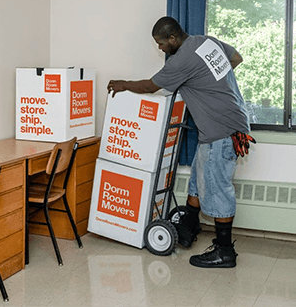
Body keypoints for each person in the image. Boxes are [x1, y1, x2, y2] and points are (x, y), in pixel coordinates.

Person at [107, 16, 255, 268]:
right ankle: (189, 225)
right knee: (199, 180)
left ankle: (225, 251)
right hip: (228, 124)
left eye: (161, 43)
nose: (160, 48)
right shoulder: (206, 42)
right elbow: (236, 58)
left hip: (221, 130)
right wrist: (211, 83)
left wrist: (123, 84)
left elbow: (150, 86)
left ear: (172, 38)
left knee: (218, 189)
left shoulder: (183, 59)